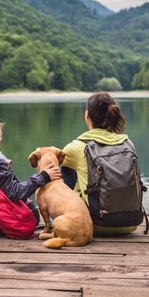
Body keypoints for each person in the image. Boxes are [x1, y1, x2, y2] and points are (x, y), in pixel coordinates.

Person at [61, 91, 137, 236]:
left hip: (93, 224)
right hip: (131, 223)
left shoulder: (76, 147)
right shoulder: (128, 144)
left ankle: (67, 217)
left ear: (86, 115)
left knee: (65, 168)